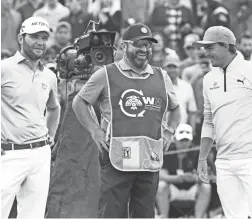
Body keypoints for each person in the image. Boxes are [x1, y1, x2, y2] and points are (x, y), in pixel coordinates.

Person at [72, 23, 181, 218]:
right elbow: (79, 102)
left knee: (144, 215)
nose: (144, 50)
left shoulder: (162, 76)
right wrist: (95, 131)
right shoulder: (106, 73)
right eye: (138, 44)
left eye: (148, 45)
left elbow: (176, 109)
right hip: (116, 157)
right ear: (124, 46)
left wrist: (168, 133)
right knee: (112, 214)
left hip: (149, 158)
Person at [1, 16, 60, 218]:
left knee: (33, 215)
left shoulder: (49, 76)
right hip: (8, 153)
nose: (40, 42)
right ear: (20, 38)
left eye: (44, 37)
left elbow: (54, 108)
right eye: (34, 37)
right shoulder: (4, 68)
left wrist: (50, 136)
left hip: (40, 154)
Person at [193, 25, 252, 219]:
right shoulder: (208, 79)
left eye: (210, 47)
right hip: (224, 161)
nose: (206, 53)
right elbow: (209, 121)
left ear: (226, 45)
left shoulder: (249, 71)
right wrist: (202, 158)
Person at [156, 124, 211, 218]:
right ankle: (164, 216)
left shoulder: (197, 152)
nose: (184, 143)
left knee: (206, 187)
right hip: (173, 188)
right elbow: (161, 175)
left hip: (192, 188)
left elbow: (208, 175)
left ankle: (198, 217)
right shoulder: (167, 151)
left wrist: (196, 178)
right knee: (161, 186)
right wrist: (178, 178)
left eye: (186, 140)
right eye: (181, 140)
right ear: (175, 140)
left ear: (191, 140)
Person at [163, 53, 197, 134]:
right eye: (169, 67)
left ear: (179, 68)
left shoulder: (186, 86)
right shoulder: (158, 86)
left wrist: (191, 132)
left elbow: (192, 112)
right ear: (164, 68)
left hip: (182, 135)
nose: (172, 70)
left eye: (174, 67)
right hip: (162, 134)